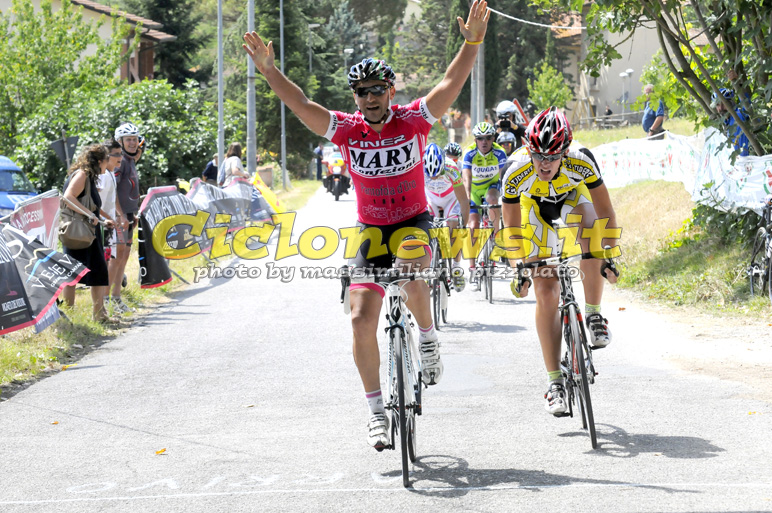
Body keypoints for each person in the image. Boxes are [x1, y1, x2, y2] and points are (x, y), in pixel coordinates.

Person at [243, 0, 489, 450]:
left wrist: (472, 42)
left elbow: (451, 82)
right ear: (355, 97)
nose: (371, 98)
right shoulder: (346, 129)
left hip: (413, 222)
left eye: (378, 89)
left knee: (413, 270)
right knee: (359, 318)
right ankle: (377, 412)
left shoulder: (414, 120)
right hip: (370, 230)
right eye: (362, 92)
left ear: (391, 92)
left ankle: (429, 338)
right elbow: (300, 103)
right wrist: (269, 72)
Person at [501, 107, 619, 416]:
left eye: (552, 157)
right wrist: (519, 267)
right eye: (538, 155)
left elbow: (605, 211)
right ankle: (554, 382)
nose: (544, 163)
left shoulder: (581, 159)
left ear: (565, 151)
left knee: (592, 236)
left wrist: (609, 254)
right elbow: (512, 228)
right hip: (534, 209)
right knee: (546, 292)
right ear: (529, 149)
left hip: (571, 198)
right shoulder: (515, 170)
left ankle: (593, 315)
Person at [61, 144, 117, 323]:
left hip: (87, 232)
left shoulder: (89, 177)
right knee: (72, 275)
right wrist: (90, 215)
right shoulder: (82, 174)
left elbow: (88, 205)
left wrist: (101, 220)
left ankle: (99, 314)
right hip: (78, 233)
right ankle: (71, 316)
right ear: (99, 161)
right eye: (107, 160)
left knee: (98, 272)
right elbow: (68, 197)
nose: (108, 164)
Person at [423, 142, 471, 291]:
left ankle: (456, 269)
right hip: (431, 198)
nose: (434, 177)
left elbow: (463, 200)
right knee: (425, 230)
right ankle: (427, 267)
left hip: (451, 199)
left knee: (453, 230)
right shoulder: (417, 168)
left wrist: (462, 226)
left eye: (437, 173)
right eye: (431, 174)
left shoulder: (451, 167)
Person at [461, 121, 508, 272]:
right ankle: (472, 267)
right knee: (473, 226)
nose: (484, 141)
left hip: (491, 187)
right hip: (474, 190)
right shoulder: (469, 153)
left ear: (493, 139)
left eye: (488, 138)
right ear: (475, 140)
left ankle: (495, 238)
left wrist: (507, 196)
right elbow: (466, 177)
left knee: (493, 199)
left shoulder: (500, 152)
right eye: (480, 138)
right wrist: (467, 197)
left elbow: (504, 176)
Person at [109, 122, 141, 314]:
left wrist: (131, 213)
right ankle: (110, 298)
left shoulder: (129, 160)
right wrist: (121, 215)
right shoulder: (120, 162)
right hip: (119, 217)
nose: (132, 143)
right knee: (117, 257)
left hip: (128, 215)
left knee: (124, 257)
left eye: (135, 139)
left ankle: (117, 297)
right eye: (128, 139)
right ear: (119, 141)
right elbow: (112, 190)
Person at [97, 139, 127, 311]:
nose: (120, 158)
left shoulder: (110, 174)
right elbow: (96, 205)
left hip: (111, 224)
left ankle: (107, 299)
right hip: (104, 226)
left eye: (121, 154)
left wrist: (120, 214)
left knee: (113, 259)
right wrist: (110, 219)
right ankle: (103, 301)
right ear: (106, 156)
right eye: (116, 155)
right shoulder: (102, 176)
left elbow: (112, 197)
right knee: (108, 262)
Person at [711, 88, 750, 157]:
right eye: (718, 105)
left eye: (724, 103)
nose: (721, 108)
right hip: (739, 165)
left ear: (731, 102)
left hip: (752, 161)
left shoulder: (739, 114)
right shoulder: (726, 123)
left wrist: (738, 83)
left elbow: (746, 102)